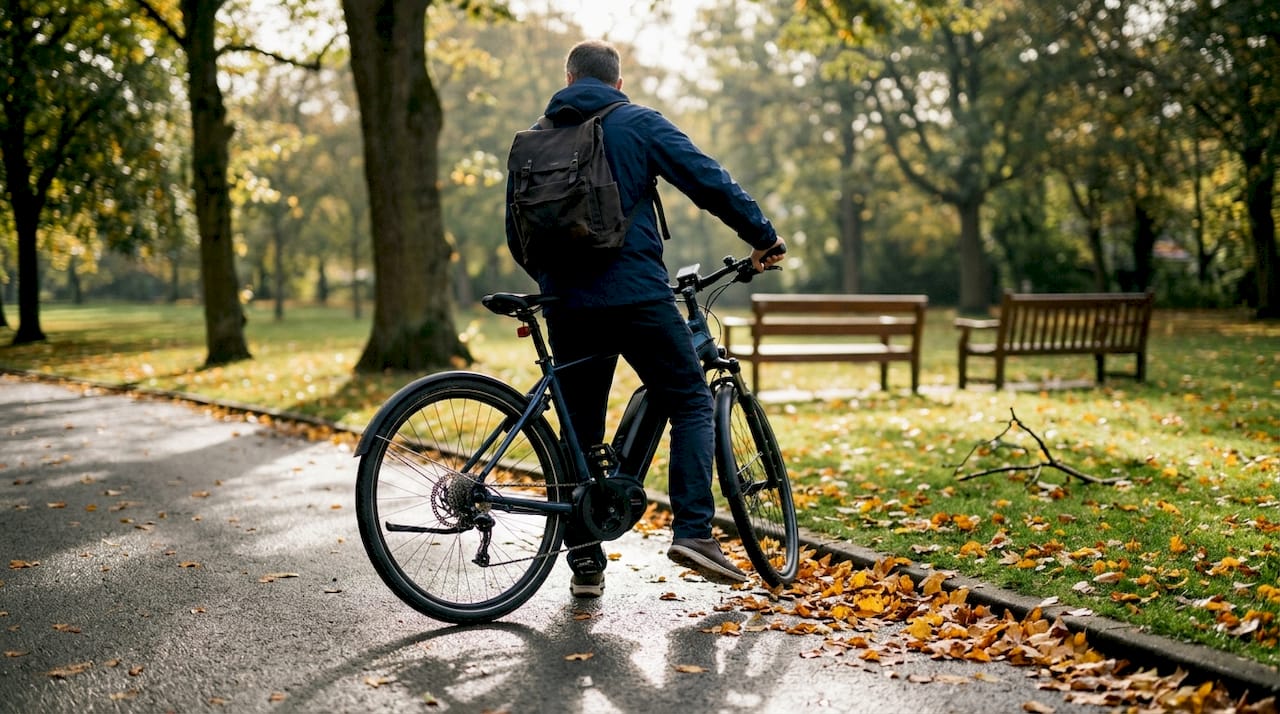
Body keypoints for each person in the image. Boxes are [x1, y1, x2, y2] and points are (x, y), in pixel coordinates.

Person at [505, 39, 785, 598]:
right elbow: (708, 180)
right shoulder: (635, 122)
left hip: (564, 302)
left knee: (579, 425)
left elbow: (518, 232)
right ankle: (693, 532)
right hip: (634, 293)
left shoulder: (534, 139)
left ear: (567, 77)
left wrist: (555, 285)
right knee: (689, 398)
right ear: (618, 82)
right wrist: (762, 236)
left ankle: (585, 560)